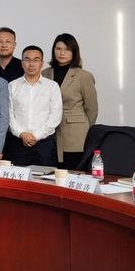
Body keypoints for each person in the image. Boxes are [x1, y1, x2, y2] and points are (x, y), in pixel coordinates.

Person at [42, 33, 99, 170]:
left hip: (75, 134)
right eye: (58, 49)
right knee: (50, 173)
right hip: (48, 131)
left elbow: (92, 109)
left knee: (73, 172)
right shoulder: (44, 74)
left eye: (67, 49)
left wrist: (85, 130)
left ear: (74, 52)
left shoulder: (84, 76)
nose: (62, 53)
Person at [7, 45, 62, 166]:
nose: (31, 64)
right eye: (27, 60)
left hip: (44, 145)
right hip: (18, 144)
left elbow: (55, 115)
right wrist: (22, 134)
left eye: (36, 60)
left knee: (45, 177)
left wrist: (36, 136)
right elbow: (8, 114)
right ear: (22, 63)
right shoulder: (12, 86)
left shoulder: (52, 86)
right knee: (18, 176)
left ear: (42, 63)